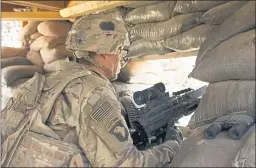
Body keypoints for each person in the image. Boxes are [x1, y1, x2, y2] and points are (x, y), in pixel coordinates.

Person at [1, 15, 181, 167]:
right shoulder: (94, 92)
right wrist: (170, 147)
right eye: (121, 50)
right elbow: (127, 164)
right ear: (105, 52)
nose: (122, 58)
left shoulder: (43, 81)